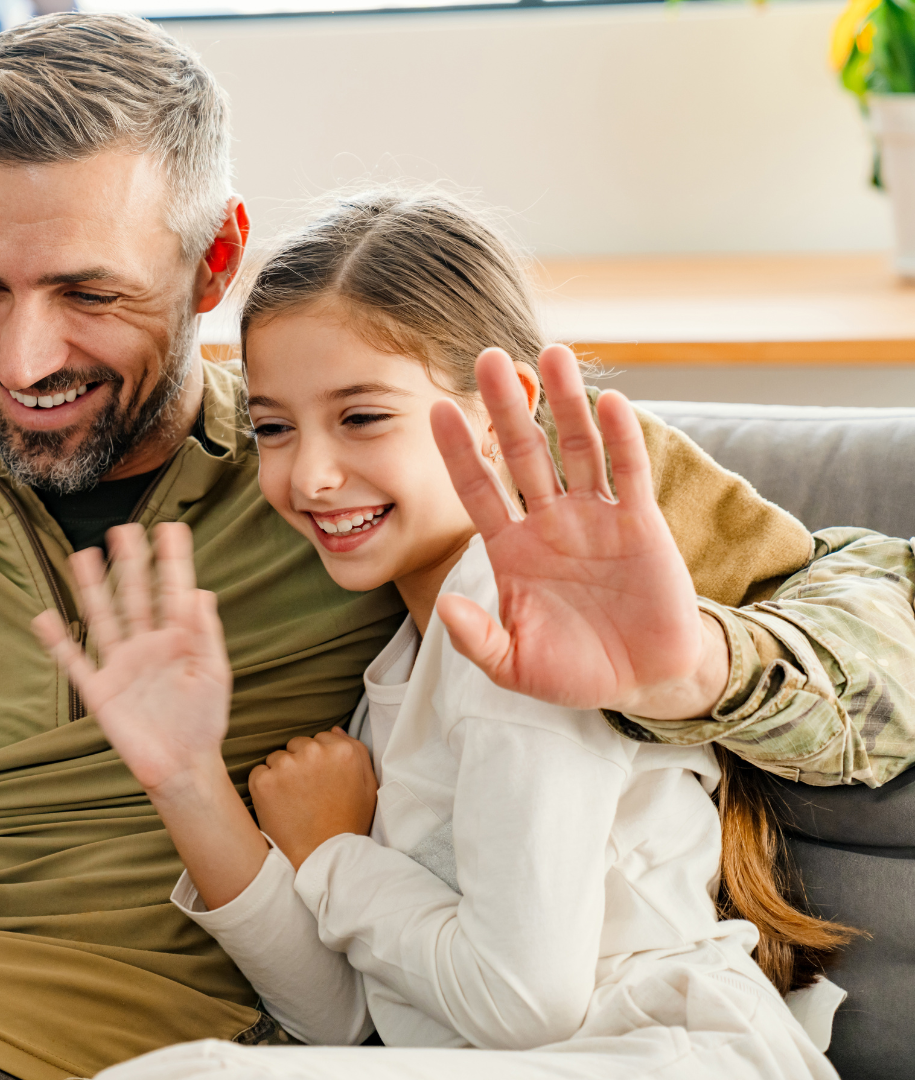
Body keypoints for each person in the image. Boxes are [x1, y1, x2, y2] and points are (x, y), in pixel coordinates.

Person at [0, 14, 915, 1080]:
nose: (21, 354)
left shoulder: (419, 469)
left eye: (88, 292)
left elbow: (881, 615)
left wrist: (706, 665)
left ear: (211, 263)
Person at [45, 190, 848, 1079]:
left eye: (362, 417)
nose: (311, 474)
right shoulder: (399, 663)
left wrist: (334, 855)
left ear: (498, 415)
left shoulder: (517, 613)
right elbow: (344, 1019)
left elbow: (520, 1003)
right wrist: (186, 778)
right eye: (274, 427)